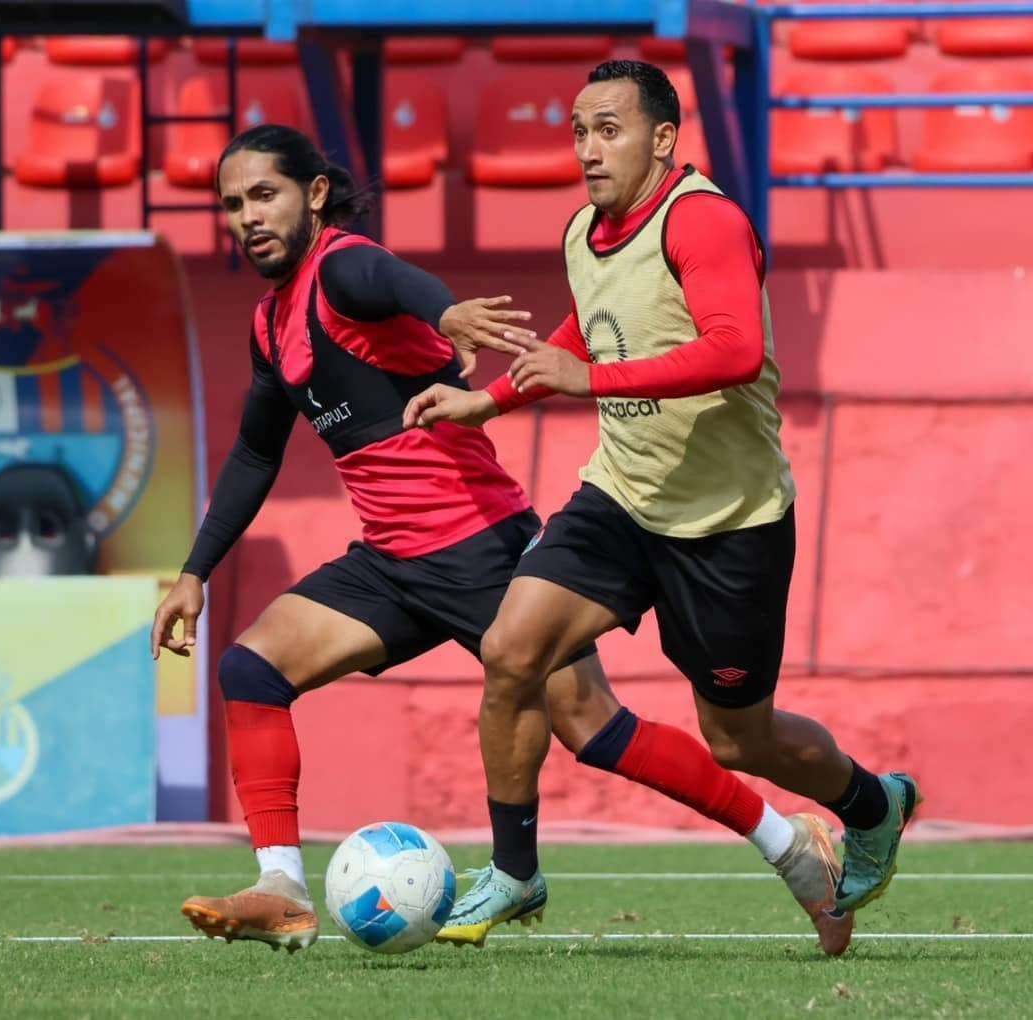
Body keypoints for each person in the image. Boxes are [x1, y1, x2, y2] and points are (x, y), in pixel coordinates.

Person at [154, 125, 846, 955]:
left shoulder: (340, 267)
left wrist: (443, 310)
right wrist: (195, 571)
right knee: (251, 669)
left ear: (314, 194)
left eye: (263, 195)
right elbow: (257, 451)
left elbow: (388, 276)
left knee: (596, 733)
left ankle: (790, 845)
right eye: (232, 205)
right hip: (391, 564)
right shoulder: (274, 325)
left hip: (484, 547)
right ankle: (280, 887)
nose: (247, 217)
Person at [403, 61, 920, 949]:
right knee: (511, 652)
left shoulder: (705, 219)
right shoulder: (584, 230)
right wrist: (489, 400)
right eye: (578, 131)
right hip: (621, 500)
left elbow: (735, 350)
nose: (588, 149)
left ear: (664, 139)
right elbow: (591, 328)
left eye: (609, 129)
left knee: (739, 740)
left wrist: (588, 379)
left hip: (730, 525)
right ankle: (516, 873)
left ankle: (874, 803)